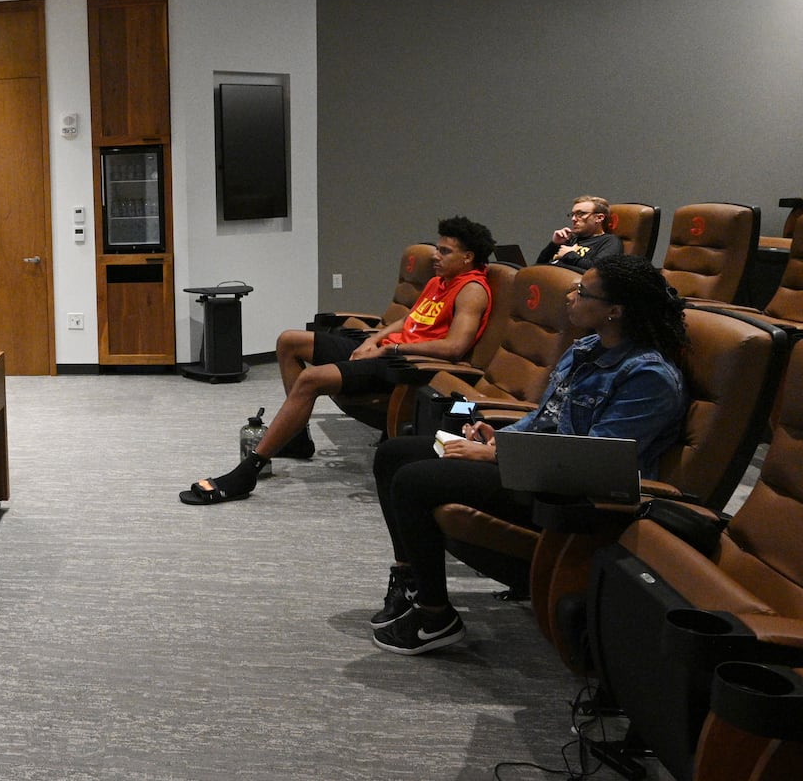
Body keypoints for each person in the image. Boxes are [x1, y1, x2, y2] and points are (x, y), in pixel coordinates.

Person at [367, 254, 686, 656]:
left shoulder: (648, 378)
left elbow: (593, 461)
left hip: (571, 496)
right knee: (395, 454)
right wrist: (501, 439)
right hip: (537, 465)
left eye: (582, 291)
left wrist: (495, 457)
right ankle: (410, 577)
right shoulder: (586, 348)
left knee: (415, 480)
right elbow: (545, 417)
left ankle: (435, 617)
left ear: (614, 312)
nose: (570, 295)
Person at [181, 216, 497, 506]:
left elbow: (455, 347)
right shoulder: (437, 282)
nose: (435, 256)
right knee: (289, 341)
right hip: (384, 351)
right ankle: (297, 437)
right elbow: (408, 321)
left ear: (468, 257)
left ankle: (248, 472)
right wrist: (374, 339)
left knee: (310, 380)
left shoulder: (471, 290)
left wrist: (388, 351)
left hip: (403, 366)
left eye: (444, 251)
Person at [538, 195, 623, 269]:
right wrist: (554, 244)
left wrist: (569, 255)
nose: (573, 219)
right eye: (573, 214)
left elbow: (598, 271)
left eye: (580, 214)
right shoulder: (570, 238)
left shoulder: (609, 241)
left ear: (599, 218)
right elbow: (538, 266)